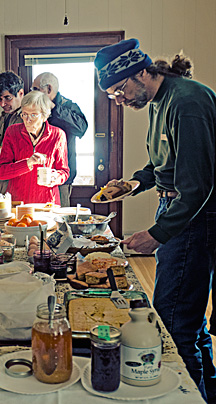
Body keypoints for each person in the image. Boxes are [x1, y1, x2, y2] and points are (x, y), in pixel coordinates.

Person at [94, 38, 216, 402]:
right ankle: (209, 391)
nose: (119, 100)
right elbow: (163, 165)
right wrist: (134, 183)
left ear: (141, 72)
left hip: (194, 218)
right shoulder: (160, 101)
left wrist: (157, 234)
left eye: (120, 90)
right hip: (180, 212)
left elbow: (196, 186)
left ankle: (187, 397)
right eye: (113, 94)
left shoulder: (187, 102)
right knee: (190, 320)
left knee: (173, 321)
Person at [0, 90, 69, 204]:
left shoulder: (57, 135)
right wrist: (27, 164)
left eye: (33, 115)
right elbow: (1, 172)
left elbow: (64, 171)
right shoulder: (12, 132)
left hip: (47, 203)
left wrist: (55, 177)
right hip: (18, 203)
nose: (27, 120)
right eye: (24, 114)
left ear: (45, 116)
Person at [31, 72, 88, 207]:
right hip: (34, 175)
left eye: (36, 89)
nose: (32, 92)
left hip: (60, 177)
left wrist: (54, 109)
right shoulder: (33, 107)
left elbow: (81, 128)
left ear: (49, 89)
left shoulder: (68, 106)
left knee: (59, 216)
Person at [0, 71, 25, 194]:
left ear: (20, 93)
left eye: (7, 98)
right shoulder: (5, 115)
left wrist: (6, 153)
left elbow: (33, 154)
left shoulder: (28, 118)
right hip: (1, 179)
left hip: (19, 182)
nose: (2, 104)